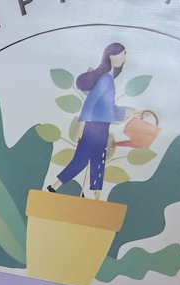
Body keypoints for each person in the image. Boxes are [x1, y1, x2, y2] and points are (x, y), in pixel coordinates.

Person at [49, 43, 137, 199]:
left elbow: (110, 108)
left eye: (125, 53)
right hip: (93, 127)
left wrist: (133, 112)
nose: (124, 57)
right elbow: (91, 101)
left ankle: (96, 196)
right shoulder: (106, 79)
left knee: (98, 160)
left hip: (103, 127)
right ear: (111, 56)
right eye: (122, 53)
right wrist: (82, 126)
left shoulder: (108, 78)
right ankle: (55, 186)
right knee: (82, 160)